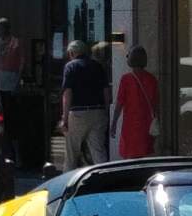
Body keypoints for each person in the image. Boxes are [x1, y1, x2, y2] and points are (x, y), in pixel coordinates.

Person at [59, 40, 110, 169]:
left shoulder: (70, 67)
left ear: (72, 53)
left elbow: (67, 93)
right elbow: (106, 91)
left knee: (72, 154)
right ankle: (107, 181)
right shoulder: (98, 66)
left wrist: (64, 118)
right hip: (98, 112)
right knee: (99, 152)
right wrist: (106, 112)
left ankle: (67, 186)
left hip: (77, 114)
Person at [110, 45, 160, 160]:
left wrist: (114, 122)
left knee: (130, 156)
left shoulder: (126, 79)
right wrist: (157, 121)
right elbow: (156, 103)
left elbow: (119, 103)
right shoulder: (152, 79)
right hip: (147, 123)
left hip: (130, 124)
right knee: (145, 154)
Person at [0, 18, 23, 161]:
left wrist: (17, 83)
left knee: (12, 122)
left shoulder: (15, 43)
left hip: (11, 86)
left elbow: (21, 64)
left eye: (3, 28)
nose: (1, 31)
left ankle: (16, 155)